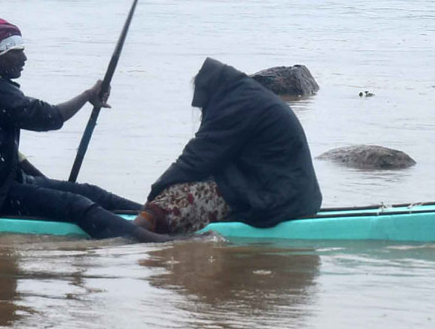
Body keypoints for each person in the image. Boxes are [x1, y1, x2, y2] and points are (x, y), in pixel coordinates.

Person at [0, 16, 167, 242]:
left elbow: (13, 154)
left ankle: (158, 218)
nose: (24, 58)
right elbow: (49, 117)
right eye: (17, 51)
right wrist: (87, 96)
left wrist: (52, 187)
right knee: (77, 204)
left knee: (90, 193)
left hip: (0, 181)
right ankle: (150, 241)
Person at [135, 57, 322, 236]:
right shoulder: (246, 96)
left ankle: (129, 233)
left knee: (176, 199)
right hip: (291, 195)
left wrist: (155, 194)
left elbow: (195, 160)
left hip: (279, 200)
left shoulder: (239, 105)